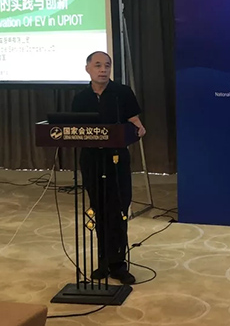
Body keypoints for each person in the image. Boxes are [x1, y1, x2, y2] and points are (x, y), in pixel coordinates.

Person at [71, 51, 146, 285]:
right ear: (87, 69)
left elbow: (136, 123)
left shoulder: (122, 93)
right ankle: (103, 262)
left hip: (116, 160)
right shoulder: (80, 98)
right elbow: (74, 127)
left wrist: (138, 128)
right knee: (99, 210)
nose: (103, 70)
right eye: (98, 65)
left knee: (118, 211)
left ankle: (118, 265)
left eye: (107, 65)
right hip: (92, 160)